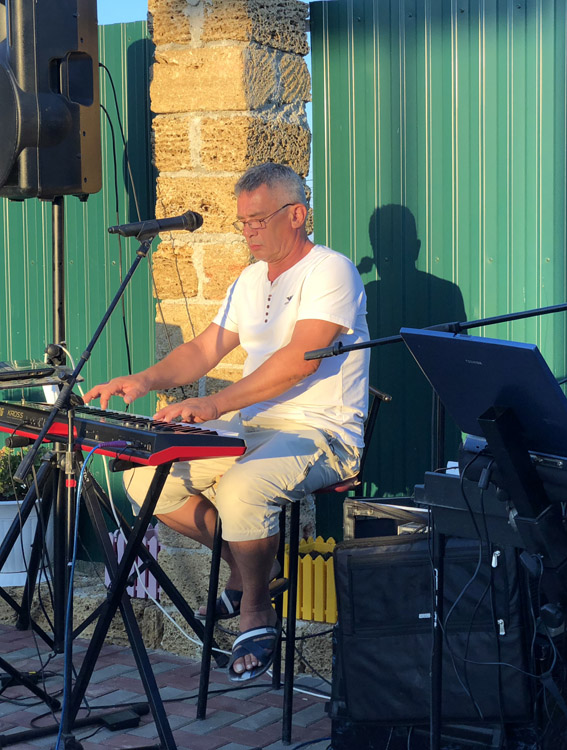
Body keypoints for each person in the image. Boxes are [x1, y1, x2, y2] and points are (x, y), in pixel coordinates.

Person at [83, 162, 369, 682]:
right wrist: (143, 380)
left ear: (297, 214)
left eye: (259, 220)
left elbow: (300, 360)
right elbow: (204, 349)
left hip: (321, 430)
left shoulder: (331, 271)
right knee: (144, 478)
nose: (249, 232)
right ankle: (251, 568)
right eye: (243, 222)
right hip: (253, 428)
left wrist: (215, 405)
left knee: (242, 489)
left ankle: (256, 611)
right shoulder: (250, 279)